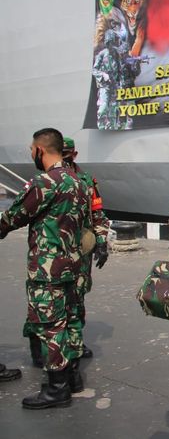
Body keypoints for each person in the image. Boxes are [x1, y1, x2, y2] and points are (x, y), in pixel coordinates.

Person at [0, 128, 88, 409]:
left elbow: (14, 216)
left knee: (50, 327)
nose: (31, 154)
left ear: (40, 150)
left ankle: (56, 389)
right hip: (71, 266)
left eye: (31, 150)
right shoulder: (78, 182)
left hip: (47, 269)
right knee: (69, 322)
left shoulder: (45, 182)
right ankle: (72, 378)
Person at [61, 137, 110, 358]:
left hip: (81, 249)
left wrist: (101, 241)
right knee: (49, 297)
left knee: (78, 295)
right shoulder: (44, 180)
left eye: (66, 153)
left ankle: (76, 343)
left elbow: (97, 212)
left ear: (74, 154)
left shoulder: (86, 180)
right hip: (53, 249)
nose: (63, 158)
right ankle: (43, 344)